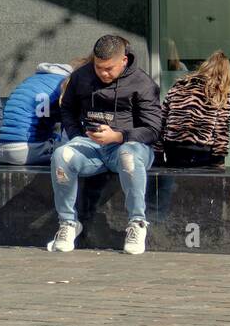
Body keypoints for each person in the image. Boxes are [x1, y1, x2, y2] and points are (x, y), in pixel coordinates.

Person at [48, 34, 162, 255]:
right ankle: (68, 223)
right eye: (99, 67)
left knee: (128, 155)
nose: (103, 73)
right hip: (91, 146)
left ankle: (137, 224)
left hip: (130, 146)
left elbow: (153, 130)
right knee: (61, 155)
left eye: (109, 68)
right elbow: (67, 109)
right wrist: (75, 136)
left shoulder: (143, 83)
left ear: (124, 60)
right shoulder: (81, 77)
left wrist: (118, 136)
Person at [158, 50, 230, 167]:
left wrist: (158, 152)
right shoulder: (220, 92)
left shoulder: (180, 85)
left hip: (173, 148)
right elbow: (222, 130)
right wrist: (219, 161)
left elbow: (161, 119)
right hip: (200, 151)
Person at [0, 61, 79, 165]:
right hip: (24, 150)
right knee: (73, 151)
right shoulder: (65, 83)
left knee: (55, 137)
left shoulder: (31, 80)